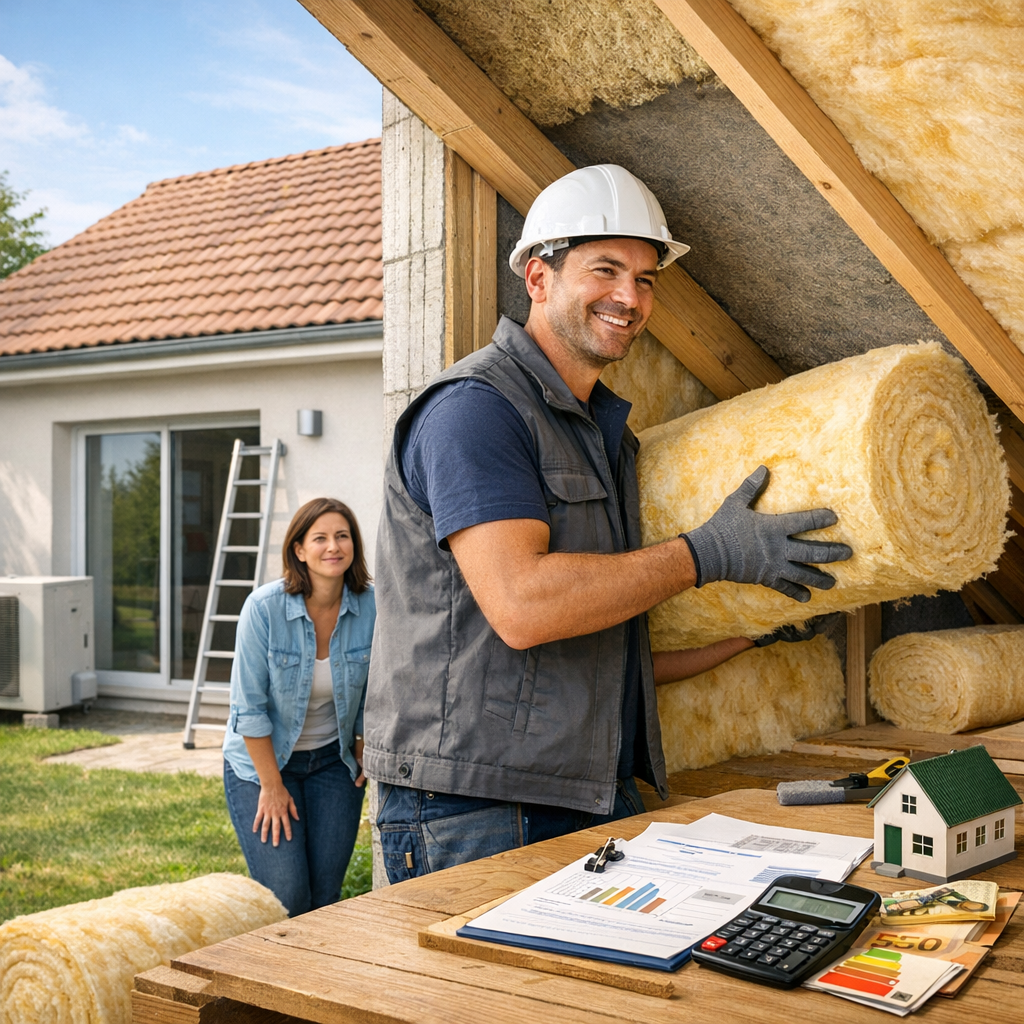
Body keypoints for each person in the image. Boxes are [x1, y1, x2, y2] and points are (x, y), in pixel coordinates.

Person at [366, 164, 852, 883]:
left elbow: (604, 654)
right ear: (538, 277)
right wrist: (704, 555)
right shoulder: (477, 410)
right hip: (478, 802)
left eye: (647, 277)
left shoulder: (607, 438)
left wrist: (752, 633)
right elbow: (525, 605)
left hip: (584, 790)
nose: (630, 297)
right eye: (605, 270)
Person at [223, 497, 375, 916]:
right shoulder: (264, 609)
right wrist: (271, 787)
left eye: (342, 536)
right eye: (320, 538)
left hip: (332, 763)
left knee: (324, 900)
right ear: (299, 550)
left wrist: (362, 738)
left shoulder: (373, 607)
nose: (333, 547)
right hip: (263, 766)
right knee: (287, 896)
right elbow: (248, 710)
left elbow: (377, 689)